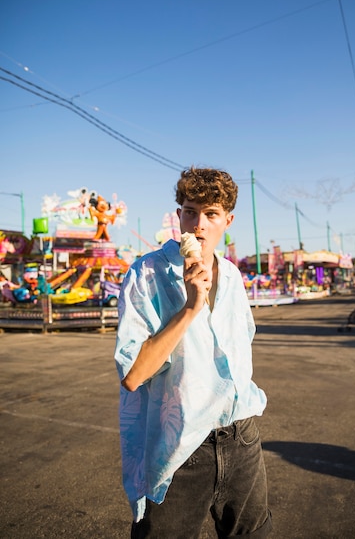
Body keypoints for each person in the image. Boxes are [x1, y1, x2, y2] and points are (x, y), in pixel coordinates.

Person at [115, 167, 272, 539]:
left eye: (211, 214)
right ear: (178, 215)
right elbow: (134, 375)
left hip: (242, 437)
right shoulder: (146, 275)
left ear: (227, 220)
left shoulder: (233, 277)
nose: (198, 225)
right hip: (182, 446)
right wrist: (189, 308)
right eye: (189, 211)